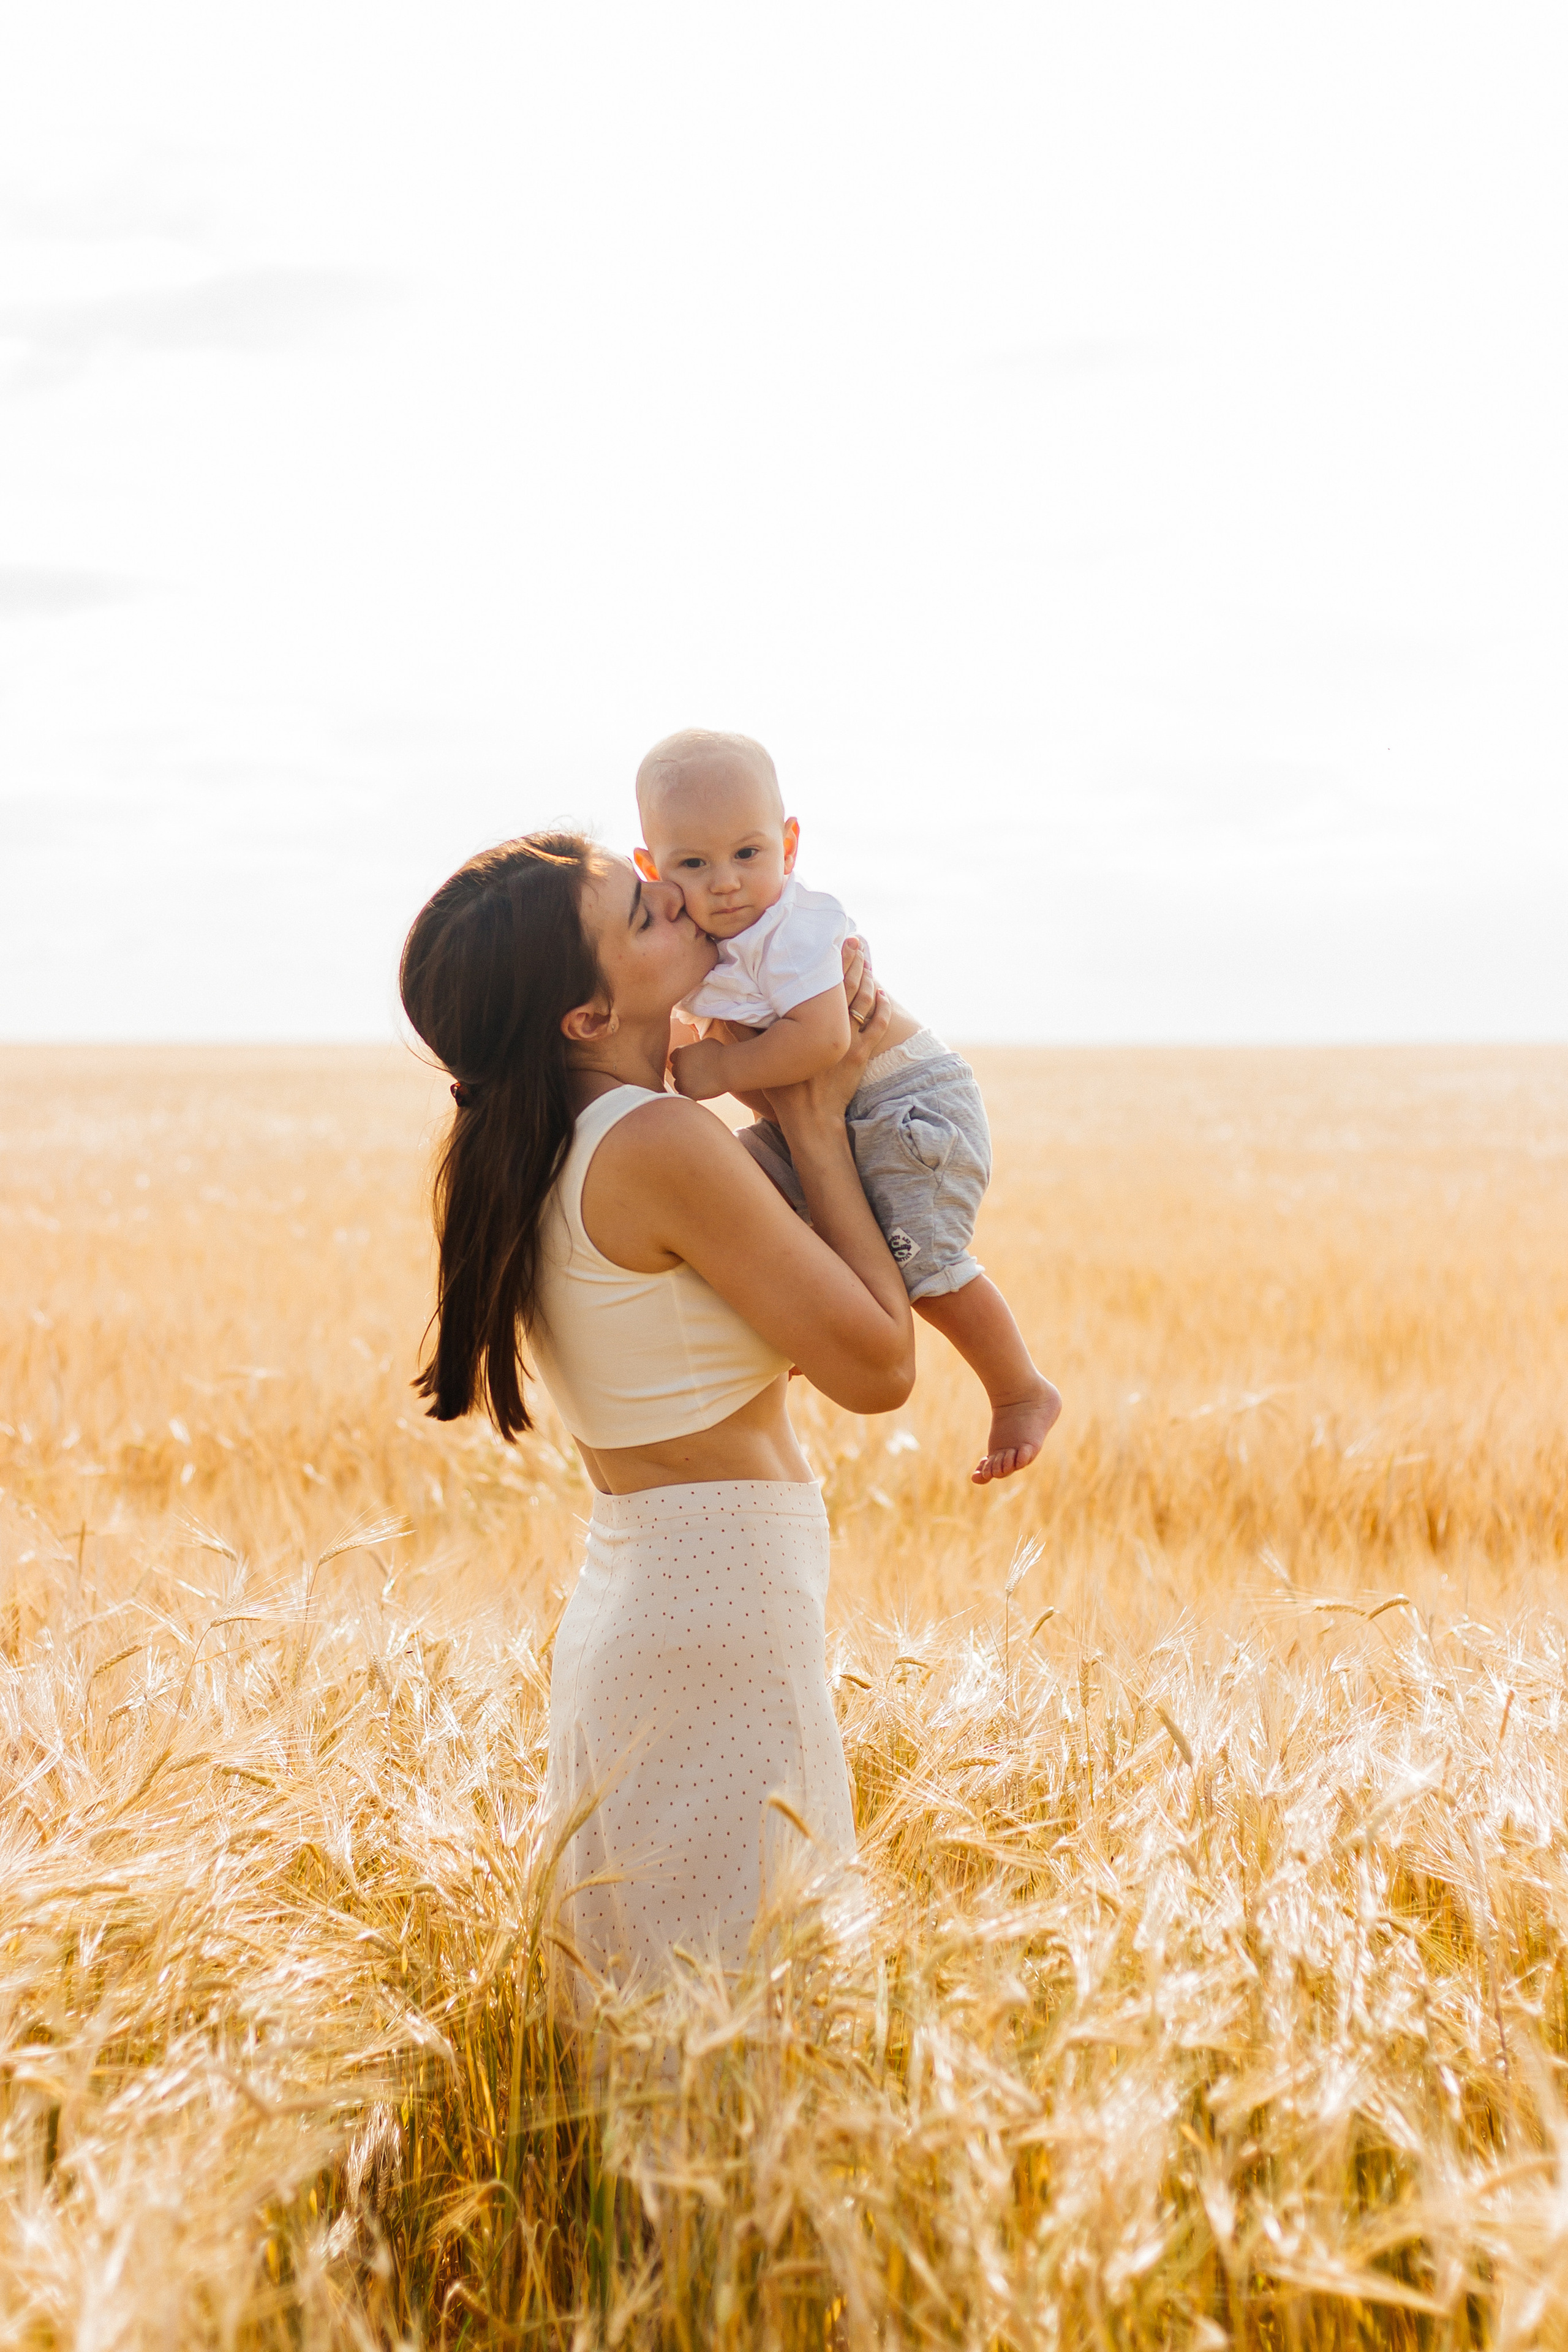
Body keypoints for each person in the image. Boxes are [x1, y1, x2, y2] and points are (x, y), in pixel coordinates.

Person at [398, 831, 915, 1991]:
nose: (682, 900)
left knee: (660, 2032)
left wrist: (812, 980)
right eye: (644, 914)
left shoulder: (550, 1142)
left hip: (652, 1599)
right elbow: (880, 1368)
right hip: (720, 1616)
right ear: (584, 1017)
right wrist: (818, 1118)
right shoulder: (661, 1142)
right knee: (745, 2029)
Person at [635, 726, 1061, 1485]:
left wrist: (723, 1064)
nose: (726, 881)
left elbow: (825, 1042)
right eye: (694, 864)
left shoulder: (795, 928)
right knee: (738, 1187)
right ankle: (816, 1317)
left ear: (789, 843)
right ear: (652, 868)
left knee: (923, 1260)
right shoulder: (701, 939)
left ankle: (1018, 1386)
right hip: (813, 1115)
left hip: (905, 1104)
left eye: (747, 853)